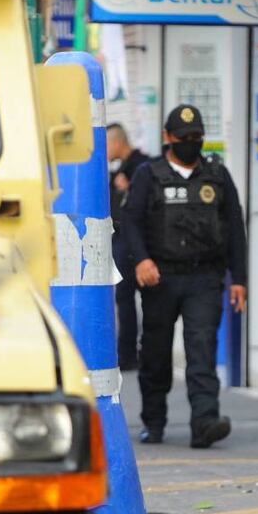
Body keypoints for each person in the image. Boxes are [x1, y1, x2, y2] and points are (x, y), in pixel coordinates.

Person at [122, 104, 248, 448]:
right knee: (155, 354)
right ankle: (154, 422)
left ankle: (205, 423)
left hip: (204, 278)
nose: (190, 142)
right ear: (167, 137)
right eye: (183, 137)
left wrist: (239, 278)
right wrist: (141, 261)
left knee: (202, 350)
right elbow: (131, 221)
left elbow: (235, 228)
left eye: (196, 136)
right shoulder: (149, 174)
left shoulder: (217, 176)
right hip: (160, 278)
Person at [106, 123, 150, 371]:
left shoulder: (142, 166)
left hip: (137, 242)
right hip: (121, 240)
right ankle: (127, 353)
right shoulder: (119, 168)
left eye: (106, 144)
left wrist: (129, 187)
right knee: (124, 297)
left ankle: (135, 354)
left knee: (139, 298)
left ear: (117, 142)